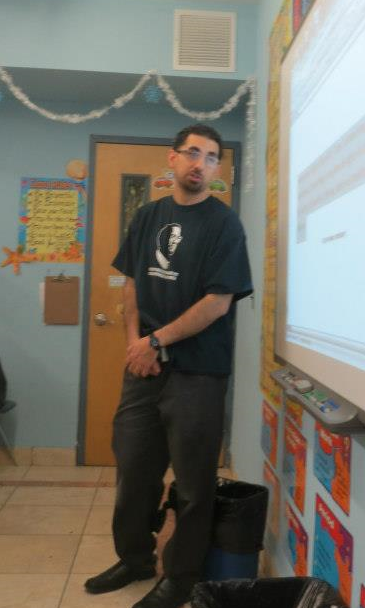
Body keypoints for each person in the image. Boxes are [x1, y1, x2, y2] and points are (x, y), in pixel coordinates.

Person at [84, 124, 253, 608]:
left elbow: (218, 302)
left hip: (199, 373)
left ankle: (181, 576)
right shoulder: (147, 216)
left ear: (218, 169)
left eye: (212, 157)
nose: (201, 163)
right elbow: (132, 286)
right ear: (172, 160)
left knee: (194, 483)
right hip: (144, 371)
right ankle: (135, 557)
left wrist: (156, 340)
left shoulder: (225, 226)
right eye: (192, 153)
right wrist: (135, 344)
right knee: (134, 472)